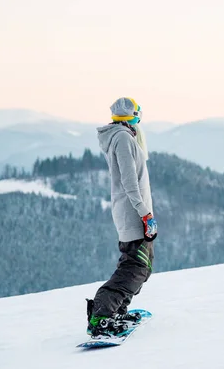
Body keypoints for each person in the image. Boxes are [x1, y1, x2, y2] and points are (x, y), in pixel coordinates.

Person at [86, 97, 157, 337]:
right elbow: (129, 181)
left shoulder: (125, 136)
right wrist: (144, 213)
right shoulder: (123, 138)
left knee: (142, 267)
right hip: (133, 214)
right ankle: (102, 315)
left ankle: (116, 310)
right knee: (134, 267)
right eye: (138, 111)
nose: (140, 116)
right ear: (130, 114)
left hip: (137, 213)